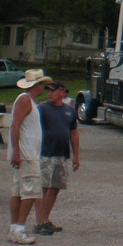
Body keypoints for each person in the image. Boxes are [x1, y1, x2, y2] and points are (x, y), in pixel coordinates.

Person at [7, 69, 52, 245]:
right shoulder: (25, 100)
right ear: (37, 85)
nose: (44, 88)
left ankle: (14, 228)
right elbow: (15, 125)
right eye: (42, 84)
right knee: (30, 192)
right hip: (27, 154)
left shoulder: (29, 101)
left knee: (19, 191)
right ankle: (19, 228)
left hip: (27, 153)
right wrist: (17, 151)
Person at [33, 81, 80, 236]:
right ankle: (39, 221)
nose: (50, 93)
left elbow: (73, 133)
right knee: (44, 187)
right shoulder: (42, 109)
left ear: (61, 92)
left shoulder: (69, 111)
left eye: (53, 91)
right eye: (48, 91)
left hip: (62, 154)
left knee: (55, 188)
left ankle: (45, 220)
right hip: (45, 154)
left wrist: (76, 156)